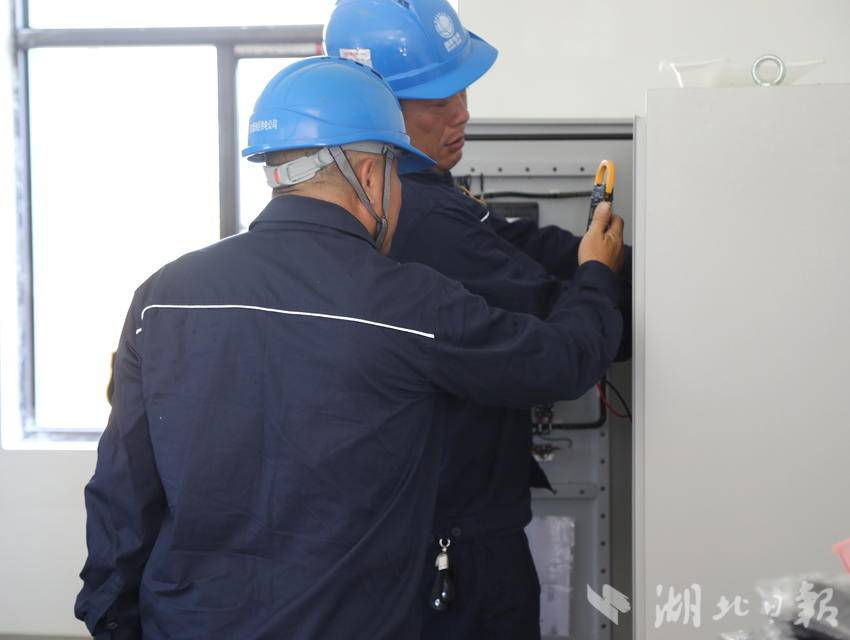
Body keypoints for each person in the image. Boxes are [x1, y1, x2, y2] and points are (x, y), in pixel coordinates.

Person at [74, 56, 623, 640]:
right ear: (369, 174)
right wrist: (596, 272)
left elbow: (122, 491)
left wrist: (116, 623)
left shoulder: (161, 298)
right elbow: (560, 362)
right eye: (398, 174)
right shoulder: (409, 303)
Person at [325, 2, 631, 638]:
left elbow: (508, 242)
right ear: (374, 108)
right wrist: (599, 277)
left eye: (462, 90)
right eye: (439, 101)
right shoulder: (420, 216)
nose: (462, 113)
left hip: (432, 530)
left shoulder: (420, 191)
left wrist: (607, 257)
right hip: (456, 548)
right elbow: (555, 336)